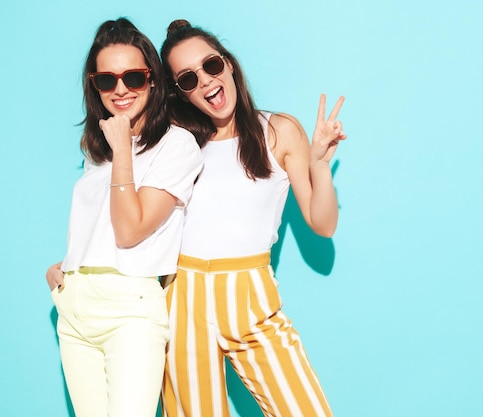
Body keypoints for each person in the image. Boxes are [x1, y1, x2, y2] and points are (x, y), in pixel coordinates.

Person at [159, 19, 347, 417]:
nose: (206, 81)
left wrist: (319, 167)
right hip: (182, 295)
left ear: (228, 65)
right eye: (188, 79)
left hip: (250, 291)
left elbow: (323, 224)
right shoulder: (178, 144)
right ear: (181, 93)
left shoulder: (277, 130)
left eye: (211, 66)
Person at [45, 18, 203, 417]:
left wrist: (123, 152)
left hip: (129, 309)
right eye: (106, 80)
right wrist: (67, 267)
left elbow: (130, 230)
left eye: (133, 77)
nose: (120, 90)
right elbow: (99, 227)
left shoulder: (177, 146)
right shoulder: (97, 150)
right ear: (93, 85)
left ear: (152, 81)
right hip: (75, 305)